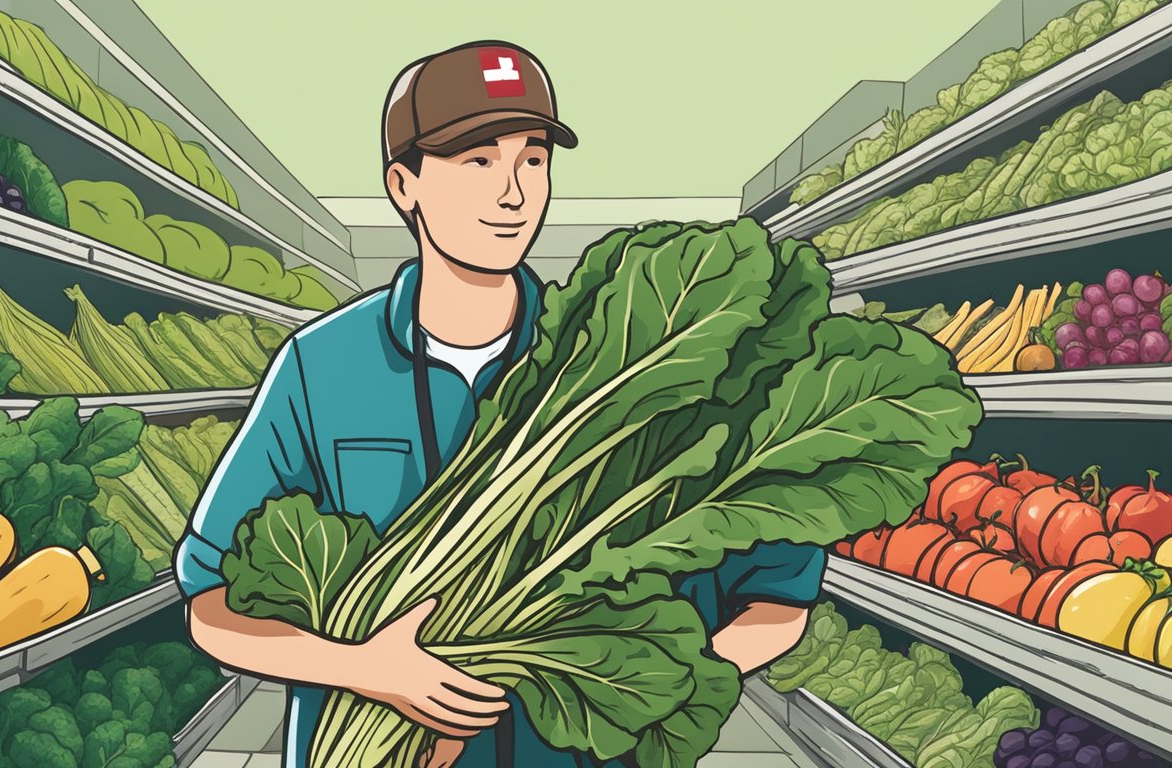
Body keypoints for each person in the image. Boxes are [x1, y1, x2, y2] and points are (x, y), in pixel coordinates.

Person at [174, 40, 825, 768]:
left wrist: (653, 684)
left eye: (533, 160)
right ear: (403, 183)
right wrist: (371, 673)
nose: (513, 192)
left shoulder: (599, 359)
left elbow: (778, 599)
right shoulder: (321, 367)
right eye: (477, 160)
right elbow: (212, 607)